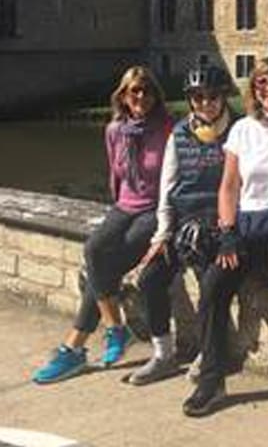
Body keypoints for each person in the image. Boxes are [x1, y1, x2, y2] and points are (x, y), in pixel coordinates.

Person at [182, 57, 268, 417]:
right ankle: (212, 377)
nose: (267, 89)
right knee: (214, 284)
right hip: (245, 224)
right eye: (260, 84)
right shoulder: (243, 129)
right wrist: (226, 233)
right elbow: (229, 186)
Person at [32, 66, 172, 384]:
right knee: (94, 249)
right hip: (124, 205)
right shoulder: (115, 130)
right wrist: (116, 211)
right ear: (123, 95)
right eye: (134, 90)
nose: (141, 97)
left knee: (107, 267)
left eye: (147, 90)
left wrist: (166, 220)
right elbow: (116, 174)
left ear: (155, 95)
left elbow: (172, 178)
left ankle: (75, 347)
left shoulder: (167, 129)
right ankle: (114, 327)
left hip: (155, 208)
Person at [126, 65, 238, 386]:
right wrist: (162, 235)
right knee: (150, 279)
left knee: (209, 285)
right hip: (184, 222)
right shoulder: (180, 133)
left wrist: (228, 228)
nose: (205, 104)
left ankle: (210, 351)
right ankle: (163, 353)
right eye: (197, 98)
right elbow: (168, 185)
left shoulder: (240, 130)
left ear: (223, 97)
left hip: (219, 223)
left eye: (212, 97)